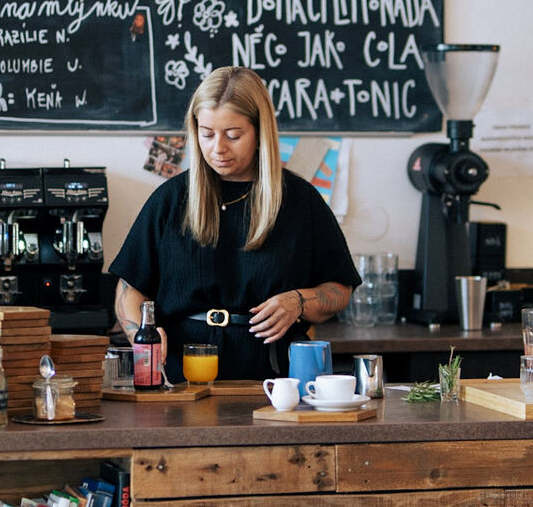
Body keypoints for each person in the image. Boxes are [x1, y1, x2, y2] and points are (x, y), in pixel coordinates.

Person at [109, 66, 359, 382]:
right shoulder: (171, 199)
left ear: (260, 132)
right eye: (207, 133)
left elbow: (338, 289)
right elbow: (128, 291)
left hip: (275, 379)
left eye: (233, 135)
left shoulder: (299, 200)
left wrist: (298, 301)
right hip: (182, 377)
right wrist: (143, 338)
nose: (218, 148)